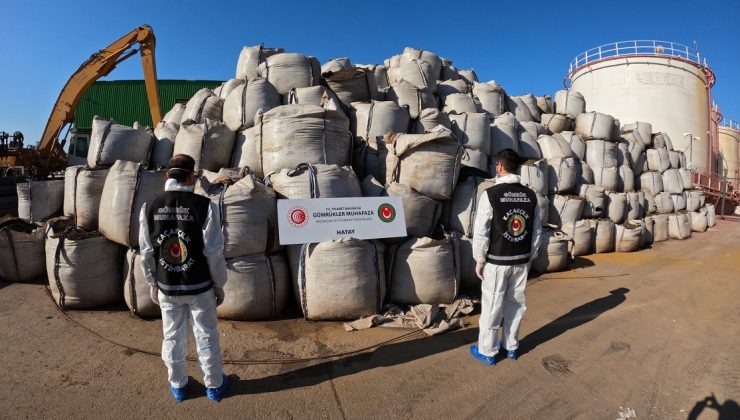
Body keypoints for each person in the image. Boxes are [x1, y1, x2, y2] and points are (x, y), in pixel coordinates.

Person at [138, 154, 229, 402]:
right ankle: (214, 385)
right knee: (205, 334)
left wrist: (152, 283)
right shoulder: (205, 206)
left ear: (167, 175)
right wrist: (219, 284)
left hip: (168, 287)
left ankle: (178, 386)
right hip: (199, 287)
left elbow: (146, 252)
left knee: (172, 335)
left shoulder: (149, 207)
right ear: (191, 177)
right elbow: (213, 251)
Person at [470, 148, 542, 365]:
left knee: (493, 305)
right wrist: (530, 258)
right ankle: (511, 347)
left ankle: (488, 351)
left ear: (500, 166)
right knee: (515, 305)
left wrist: (479, 259)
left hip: (497, 261)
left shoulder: (490, 194)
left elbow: (481, 230)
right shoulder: (531, 195)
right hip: (520, 260)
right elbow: (536, 231)